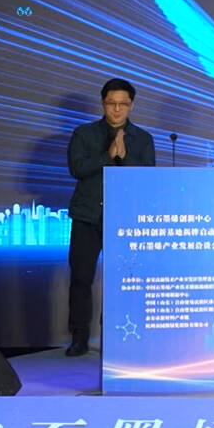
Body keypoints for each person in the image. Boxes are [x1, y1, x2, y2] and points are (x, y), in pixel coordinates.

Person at [64, 77, 156, 357]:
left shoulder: (143, 138)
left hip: (124, 220)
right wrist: (108, 154)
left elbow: (148, 177)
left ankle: (116, 339)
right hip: (88, 217)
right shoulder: (84, 133)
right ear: (103, 103)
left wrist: (124, 157)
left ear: (131, 105)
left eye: (122, 104)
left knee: (122, 281)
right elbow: (77, 169)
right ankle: (79, 338)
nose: (116, 109)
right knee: (81, 279)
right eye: (111, 103)